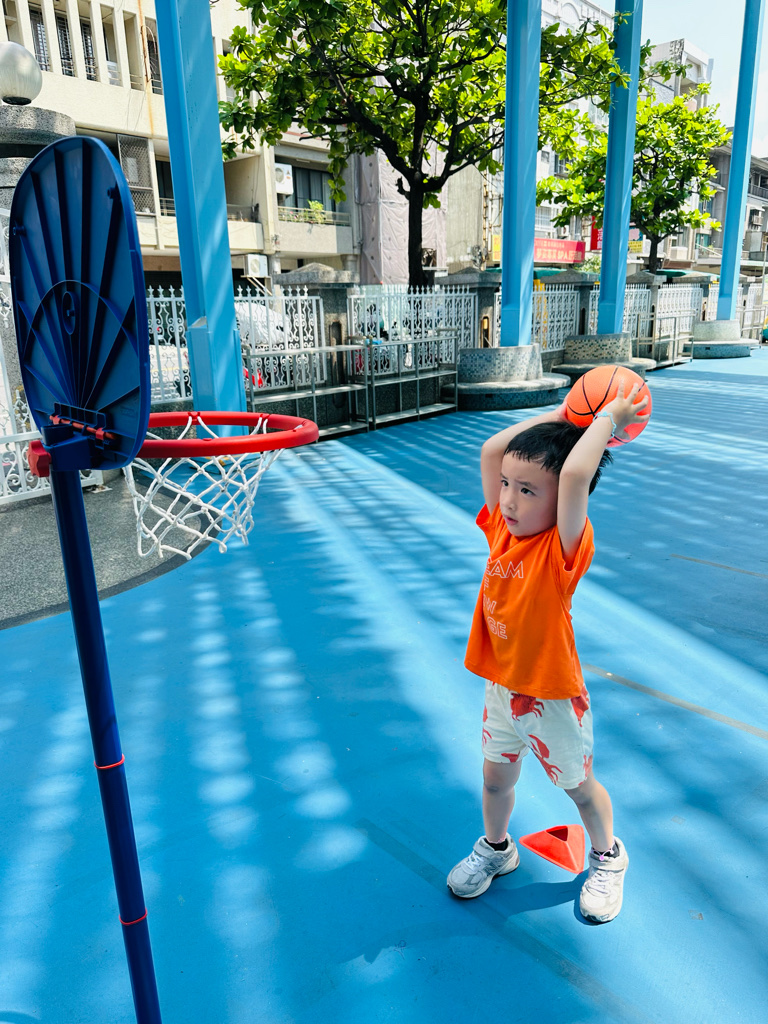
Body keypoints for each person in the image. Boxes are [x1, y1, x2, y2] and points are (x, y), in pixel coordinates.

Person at [447, 383, 650, 923]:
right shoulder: (502, 533)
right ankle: (497, 849)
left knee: (579, 788)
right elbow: (493, 451)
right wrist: (561, 415)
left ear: (561, 504)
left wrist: (607, 418)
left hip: (551, 697)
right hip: (502, 689)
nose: (508, 500)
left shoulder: (561, 548)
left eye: (527, 490)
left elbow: (577, 474)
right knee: (495, 779)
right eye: (506, 486)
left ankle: (608, 856)